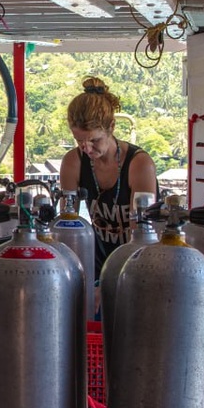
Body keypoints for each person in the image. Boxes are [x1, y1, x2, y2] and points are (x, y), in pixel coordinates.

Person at [58, 76, 158, 275]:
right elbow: (67, 227)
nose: (87, 148)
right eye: (79, 140)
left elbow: (140, 233)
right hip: (96, 259)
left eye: (95, 140)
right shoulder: (73, 162)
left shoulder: (139, 164)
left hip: (139, 261)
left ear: (111, 127)